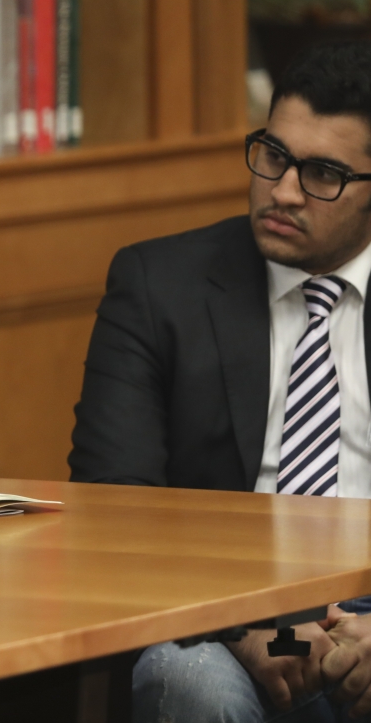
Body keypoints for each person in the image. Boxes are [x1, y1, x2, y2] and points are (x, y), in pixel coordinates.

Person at [69, 41, 371, 721]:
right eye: (273, 156)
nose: (284, 191)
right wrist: (236, 624)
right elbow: (112, 507)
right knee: (193, 686)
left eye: (323, 173)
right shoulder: (158, 285)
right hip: (213, 611)